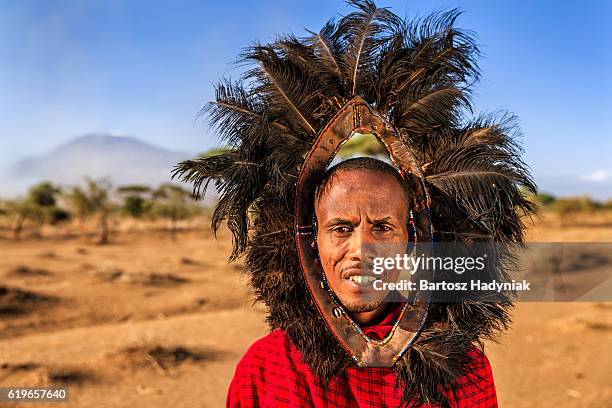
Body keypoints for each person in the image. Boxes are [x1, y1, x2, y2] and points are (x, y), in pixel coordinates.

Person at [174, 1, 536, 406]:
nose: (361, 250)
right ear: (313, 241)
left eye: (382, 227)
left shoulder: (463, 368)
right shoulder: (268, 367)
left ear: (412, 241)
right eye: (341, 228)